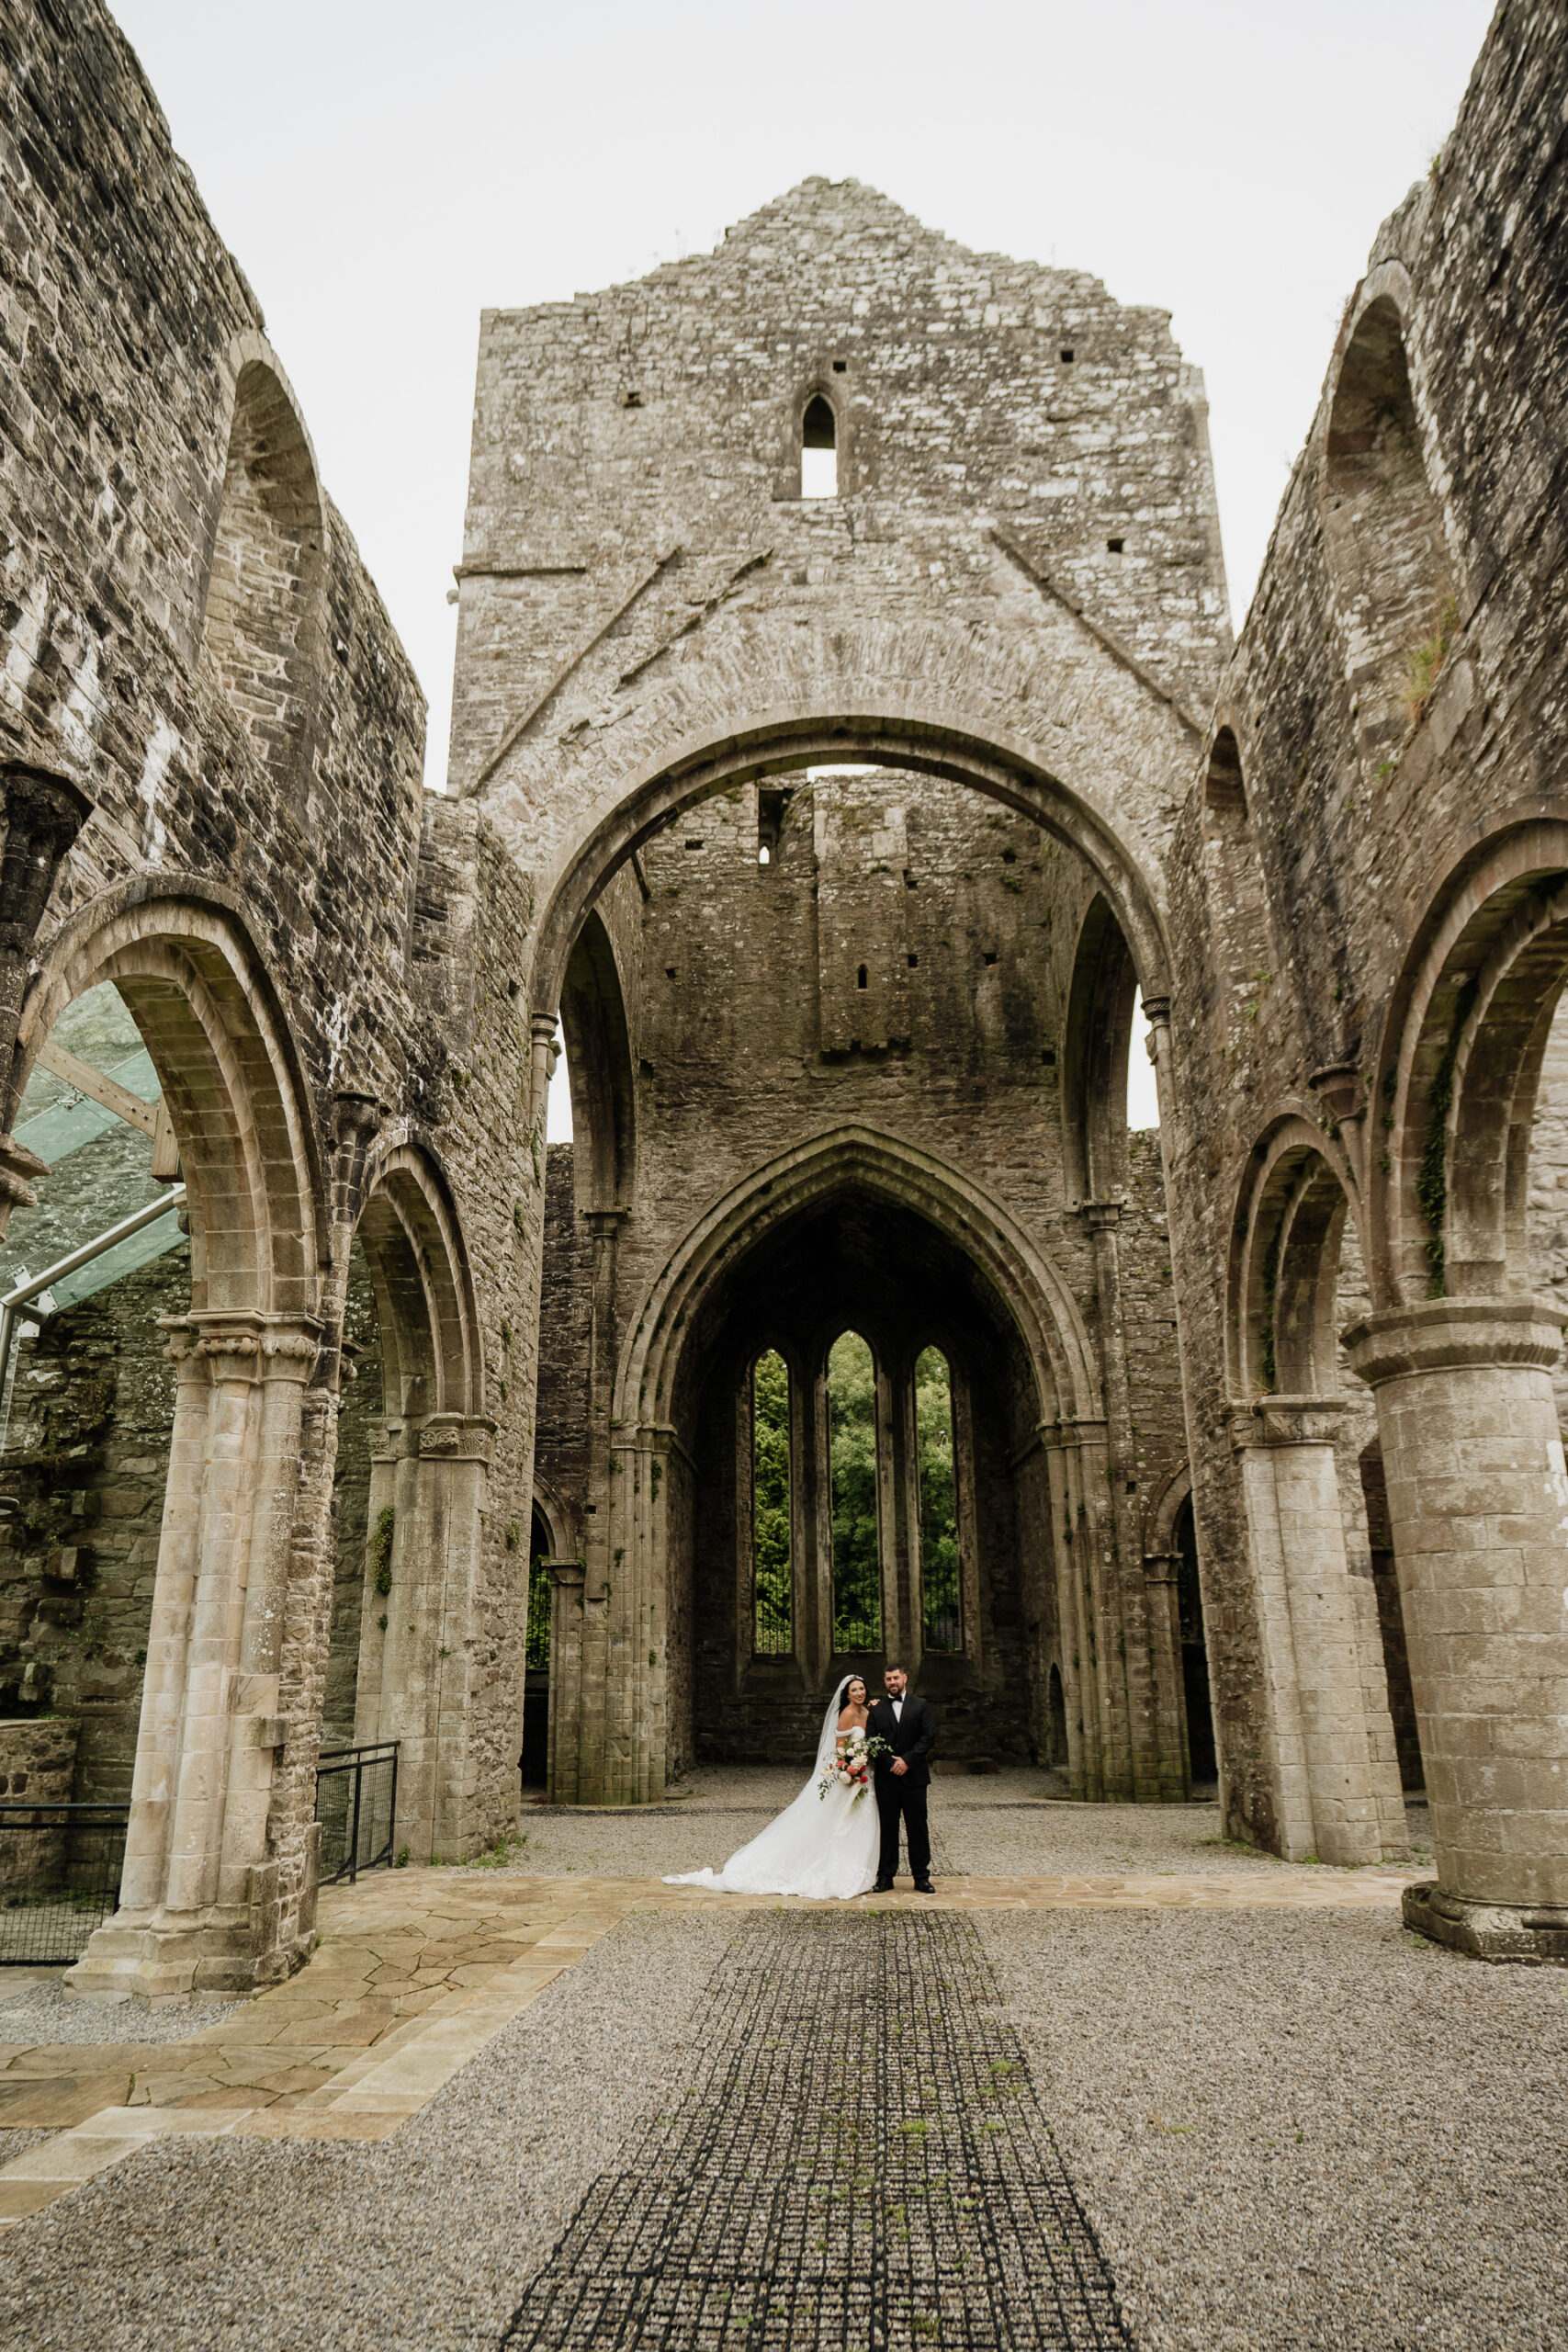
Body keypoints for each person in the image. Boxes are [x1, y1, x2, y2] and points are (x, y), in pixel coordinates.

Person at [662, 1674, 879, 1899]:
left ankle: (857, 1867)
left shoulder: (868, 1711)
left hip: (864, 1774)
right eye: (854, 1690)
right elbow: (840, 1749)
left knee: (859, 1820)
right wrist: (849, 1768)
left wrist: (862, 1761)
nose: (859, 1693)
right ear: (847, 1694)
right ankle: (829, 1869)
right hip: (850, 1774)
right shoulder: (847, 1714)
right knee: (837, 1823)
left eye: (861, 1689)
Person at [867, 1663, 937, 1893]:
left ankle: (921, 1876)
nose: (892, 1682)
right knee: (887, 1828)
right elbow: (871, 1740)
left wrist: (907, 1760)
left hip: (914, 1777)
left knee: (917, 1827)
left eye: (896, 1678)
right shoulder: (876, 1709)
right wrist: (890, 1763)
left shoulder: (921, 1705)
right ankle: (886, 1876)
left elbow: (928, 1737)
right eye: (888, 1679)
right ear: (884, 1682)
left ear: (905, 1678)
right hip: (887, 1779)